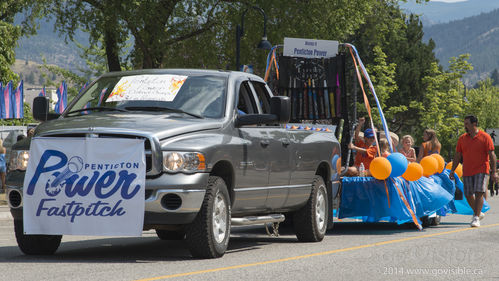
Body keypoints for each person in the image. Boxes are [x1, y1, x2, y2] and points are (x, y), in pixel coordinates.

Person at [450, 115, 497, 227]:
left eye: (467, 123)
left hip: (482, 169)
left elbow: (492, 155)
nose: (465, 126)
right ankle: (478, 212)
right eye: (465, 123)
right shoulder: (462, 138)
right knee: (468, 194)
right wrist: (452, 170)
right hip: (467, 170)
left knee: (479, 192)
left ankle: (475, 217)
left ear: (474, 124)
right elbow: (457, 155)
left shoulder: (485, 137)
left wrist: (494, 171)